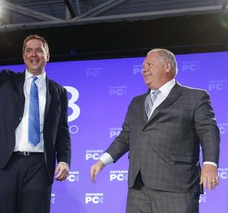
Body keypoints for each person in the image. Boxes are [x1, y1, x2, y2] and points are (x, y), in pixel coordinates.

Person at [0, 6, 71, 213]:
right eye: (28, 50)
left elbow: (62, 130)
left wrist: (64, 160)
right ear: (23, 56)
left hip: (40, 164)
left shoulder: (59, 91)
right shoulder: (7, 80)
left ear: (47, 56)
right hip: (7, 162)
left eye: (38, 50)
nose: (33, 54)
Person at [90, 48, 220, 213]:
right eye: (143, 66)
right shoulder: (136, 103)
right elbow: (125, 137)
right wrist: (102, 161)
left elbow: (208, 131)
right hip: (139, 188)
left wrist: (210, 163)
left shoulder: (195, 97)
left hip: (176, 187)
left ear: (167, 67)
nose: (144, 69)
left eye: (149, 64)